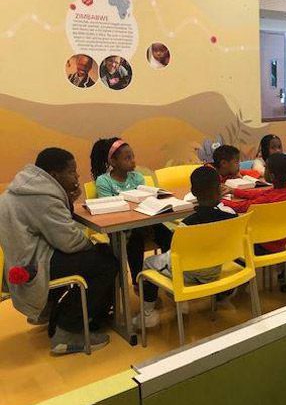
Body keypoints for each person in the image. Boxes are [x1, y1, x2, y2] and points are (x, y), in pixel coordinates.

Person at [0, 148, 118, 354]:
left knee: (99, 255)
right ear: (54, 175)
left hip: (26, 260)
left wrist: (67, 201)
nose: (77, 176)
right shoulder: (42, 197)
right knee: (105, 262)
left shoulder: (27, 187)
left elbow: (57, 229)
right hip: (36, 266)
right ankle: (67, 332)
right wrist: (93, 246)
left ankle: (67, 312)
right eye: (72, 172)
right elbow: (70, 241)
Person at [133, 166, 237, 328]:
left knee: (148, 263)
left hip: (190, 274)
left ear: (193, 192)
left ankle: (147, 314)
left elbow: (177, 253)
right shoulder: (231, 214)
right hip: (216, 269)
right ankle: (179, 300)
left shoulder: (186, 225)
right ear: (220, 188)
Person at [90, 138, 172, 288]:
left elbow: (145, 201)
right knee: (135, 241)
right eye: (127, 158)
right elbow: (110, 209)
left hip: (144, 222)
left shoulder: (137, 177)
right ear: (113, 162)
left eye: (133, 156)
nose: (133, 161)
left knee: (168, 235)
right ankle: (138, 281)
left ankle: (169, 271)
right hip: (120, 229)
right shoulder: (104, 181)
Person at [222, 153, 286, 253]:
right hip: (281, 238)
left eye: (266, 168)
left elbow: (241, 207)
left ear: (272, 176)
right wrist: (234, 191)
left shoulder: (267, 199)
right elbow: (262, 193)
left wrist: (219, 200)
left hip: (263, 242)